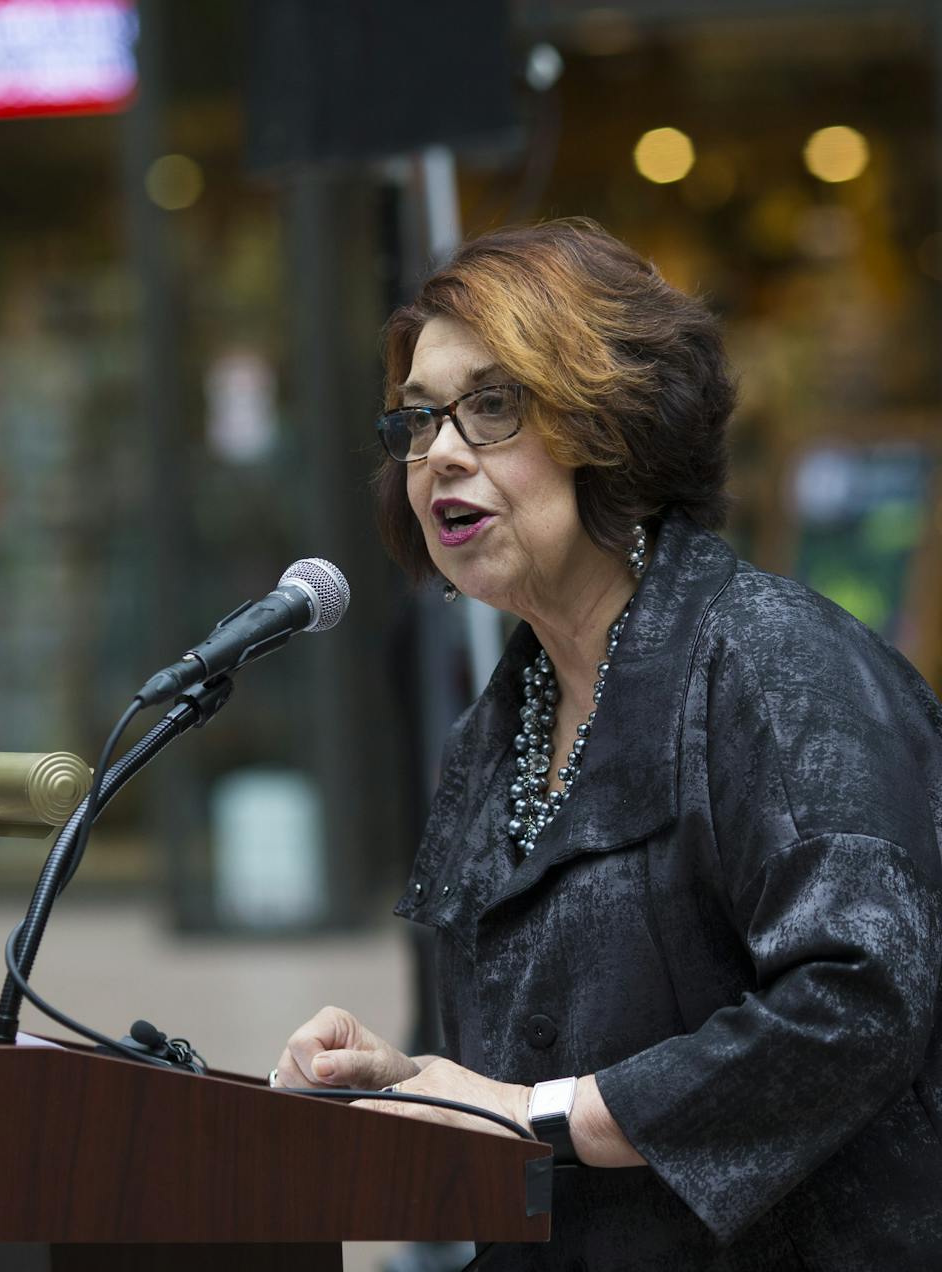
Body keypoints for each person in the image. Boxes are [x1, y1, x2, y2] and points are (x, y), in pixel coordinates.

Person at [271, 219, 942, 1269]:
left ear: (606, 422)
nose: (437, 451)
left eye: (490, 406)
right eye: (413, 422)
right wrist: (412, 1086)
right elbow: (524, 1068)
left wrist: (537, 1114)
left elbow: (857, 1000)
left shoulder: (769, 663)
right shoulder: (489, 736)